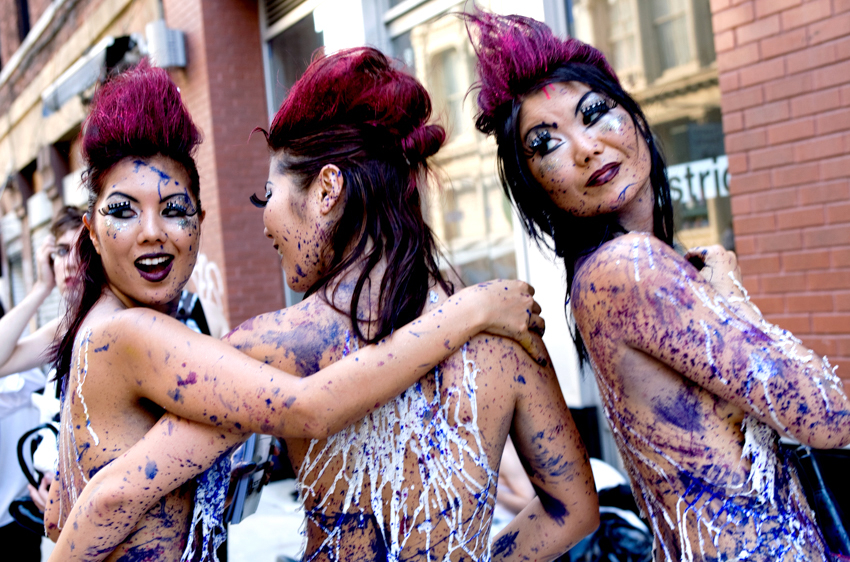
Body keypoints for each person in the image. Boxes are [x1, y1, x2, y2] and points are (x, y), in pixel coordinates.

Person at [41, 59, 546, 562]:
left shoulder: (108, 324)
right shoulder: (131, 331)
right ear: (89, 229)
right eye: (122, 210)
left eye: (174, 209)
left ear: (198, 218)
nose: (153, 231)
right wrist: (471, 311)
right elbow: (309, 407)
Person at [464, 9, 850, 562]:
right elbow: (827, 414)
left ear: (636, 119)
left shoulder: (610, 275)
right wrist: (734, 297)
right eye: (546, 144)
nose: (585, 148)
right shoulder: (630, 269)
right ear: (535, 190)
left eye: (595, 113)